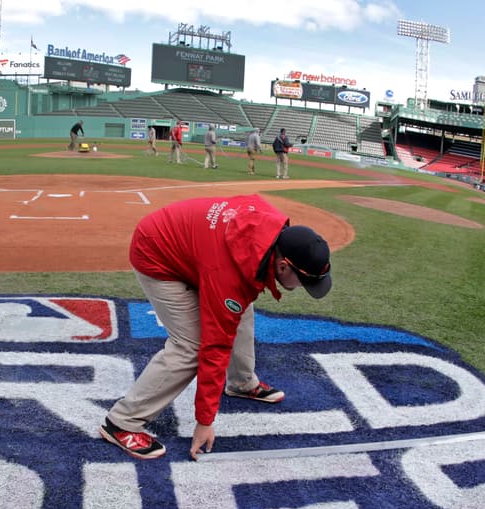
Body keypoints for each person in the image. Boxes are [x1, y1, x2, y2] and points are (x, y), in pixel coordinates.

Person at [99, 195, 333, 461]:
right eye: (303, 282)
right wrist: (204, 421)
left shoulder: (271, 228)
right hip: (156, 252)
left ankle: (241, 383)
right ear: (283, 265)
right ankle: (122, 422)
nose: (303, 287)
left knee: (242, 308)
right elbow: (215, 347)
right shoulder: (229, 276)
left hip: (195, 247)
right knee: (191, 345)